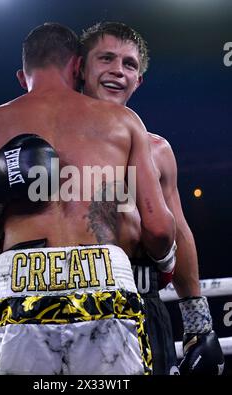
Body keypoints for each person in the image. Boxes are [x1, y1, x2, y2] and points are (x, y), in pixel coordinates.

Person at [0, 23, 176, 375]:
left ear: (21, 76)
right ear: (77, 67)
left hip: (19, 283)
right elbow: (157, 226)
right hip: (105, 280)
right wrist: (165, 263)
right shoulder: (124, 122)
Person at [80, 21, 224, 375]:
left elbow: (180, 230)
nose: (118, 70)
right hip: (67, 304)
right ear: (81, 68)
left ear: (138, 80)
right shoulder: (45, 144)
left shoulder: (157, 151)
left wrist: (198, 323)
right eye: (107, 59)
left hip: (145, 303)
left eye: (129, 64)